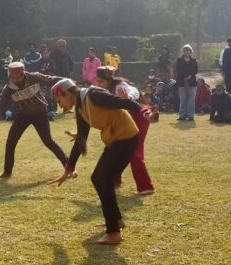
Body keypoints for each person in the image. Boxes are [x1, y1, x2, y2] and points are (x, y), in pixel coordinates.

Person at [49, 79, 154, 244]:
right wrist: (69, 167)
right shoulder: (81, 107)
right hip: (117, 141)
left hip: (126, 138)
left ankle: (113, 232)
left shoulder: (94, 95)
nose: (60, 105)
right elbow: (81, 140)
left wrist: (143, 110)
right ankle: (115, 220)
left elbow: (123, 102)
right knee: (102, 179)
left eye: (59, 100)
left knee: (100, 178)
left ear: (67, 94)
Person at [0, 62, 68, 178]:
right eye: (14, 77)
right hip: (22, 116)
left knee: (48, 141)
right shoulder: (8, 90)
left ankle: (68, 166)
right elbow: (0, 105)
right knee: (11, 141)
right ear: (10, 76)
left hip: (40, 113)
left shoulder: (34, 76)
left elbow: (51, 79)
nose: (17, 80)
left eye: (19, 76)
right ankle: (7, 171)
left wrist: (68, 83)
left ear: (24, 73)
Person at [94, 66, 156, 195]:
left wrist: (128, 97)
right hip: (125, 118)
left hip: (139, 116)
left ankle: (145, 186)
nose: (98, 84)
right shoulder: (101, 92)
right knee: (115, 148)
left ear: (108, 80)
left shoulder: (119, 86)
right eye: (97, 81)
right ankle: (114, 179)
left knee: (134, 151)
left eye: (101, 82)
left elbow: (134, 91)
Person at [176, 44, 198, 121]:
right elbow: (178, 69)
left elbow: (195, 70)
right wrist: (184, 77)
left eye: (188, 50)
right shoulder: (179, 60)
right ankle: (182, 115)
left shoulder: (194, 61)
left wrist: (190, 76)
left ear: (190, 51)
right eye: (185, 50)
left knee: (191, 99)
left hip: (192, 82)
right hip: (182, 81)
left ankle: (190, 115)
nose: (186, 52)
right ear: (183, 52)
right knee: (183, 99)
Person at [51, 39, 74, 113]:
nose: (62, 47)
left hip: (66, 75)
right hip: (57, 76)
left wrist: (71, 71)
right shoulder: (53, 54)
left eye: (63, 46)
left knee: (67, 92)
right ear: (57, 46)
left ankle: (66, 109)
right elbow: (51, 64)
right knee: (58, 93)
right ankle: (54, 109)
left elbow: (71, 62)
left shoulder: (67, 54)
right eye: (60, 46)